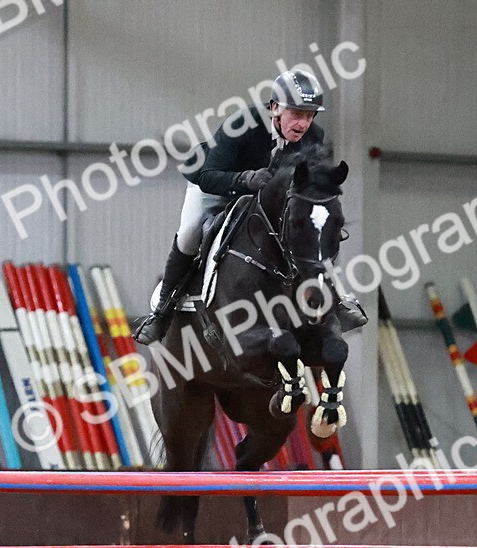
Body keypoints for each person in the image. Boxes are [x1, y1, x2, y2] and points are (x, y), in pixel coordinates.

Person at [133, 68, 367, 345]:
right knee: (190, 232)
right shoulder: (244, 122)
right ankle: (162, 311)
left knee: (312, 231)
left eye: (309, 115)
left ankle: (337, 299)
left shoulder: (314, 135)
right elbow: (209, 175)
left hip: (266, 196)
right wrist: (244, 178)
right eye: (296, 114)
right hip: (216, 182)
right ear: (275, 108)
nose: (303, 123)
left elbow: (309, 184)